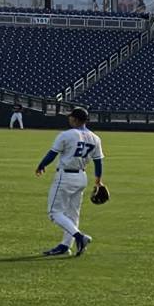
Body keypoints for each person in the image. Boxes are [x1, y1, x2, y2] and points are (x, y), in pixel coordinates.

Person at [34, 106, 105, 258]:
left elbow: (52, 154)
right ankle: (66, 245)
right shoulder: (95, 138)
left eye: (71, 116)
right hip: (81, 178)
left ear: (75, 119)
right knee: (73, 214)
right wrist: (98, 181)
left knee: (54, 213)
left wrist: (41, 165)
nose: (69, 118)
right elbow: (98, 162)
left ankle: (80, 237)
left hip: (65, 177)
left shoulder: (67, 135)